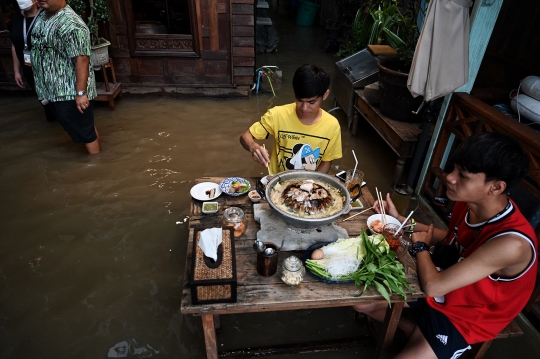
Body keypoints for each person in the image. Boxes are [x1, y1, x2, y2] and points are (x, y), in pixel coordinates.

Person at [354, 132, 537, 359]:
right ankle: (417, 331)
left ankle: (429, 338)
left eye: (463, 175)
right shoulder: (469, 204)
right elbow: (449, 236)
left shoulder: (511, 243)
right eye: (454, 169)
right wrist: (401, 221)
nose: (450, 177)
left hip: (468, 315)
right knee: (361, 305)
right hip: (447, 288)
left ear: (496, 187)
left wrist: (421, 249)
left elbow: (434, 287)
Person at [240, 64, 342, 174]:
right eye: (299, 100)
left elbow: (326, 161)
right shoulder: (277, 114)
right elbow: (245, 136)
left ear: (325, 95)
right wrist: (253, 147)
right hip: (277, 182)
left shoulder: (332, 125)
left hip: (309, 186)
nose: (304, 108)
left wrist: (312, 183)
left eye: (311, 102)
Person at [31, 0, 100, 154]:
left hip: (69, 90)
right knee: (82, 127)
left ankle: (97, 164)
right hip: (52, 88)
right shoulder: (42, 15)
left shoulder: (72, 23)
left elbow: (82, 59)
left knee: (86, 133)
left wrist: (80, 93)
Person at [9, 0, 55, 121]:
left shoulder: (46, 16)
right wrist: (16, 70)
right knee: (45, 103)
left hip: (49, 70)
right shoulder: (17, 17)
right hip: (29, 69)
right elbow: (15, 44)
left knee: (58, 104)